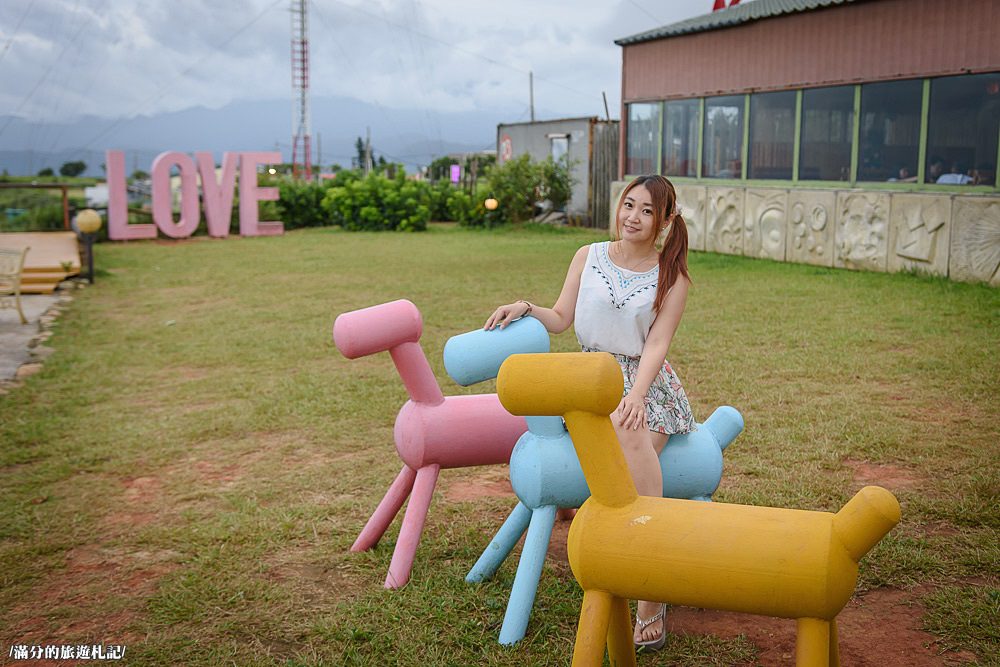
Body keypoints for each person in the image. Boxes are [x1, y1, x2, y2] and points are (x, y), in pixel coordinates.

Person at [483, 174, 695, 651]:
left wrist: (636, 396)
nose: (633, 217)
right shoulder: (589, 255)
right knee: (600, 457)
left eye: (646, 211)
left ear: (664, 222)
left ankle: (651, 595)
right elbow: (561, 318)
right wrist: (524, 307)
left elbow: (657, 344)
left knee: (631, 442)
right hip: (587, 377)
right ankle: (608, 549)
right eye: (629, 205)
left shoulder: (672, 276)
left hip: (645, 382)